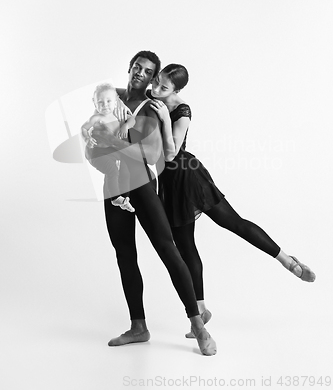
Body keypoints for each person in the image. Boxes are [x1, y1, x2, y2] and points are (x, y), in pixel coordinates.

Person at [149, 63, 316, 336]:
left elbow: (170, 153)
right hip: (167, 181)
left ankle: (288, 261)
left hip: (186, 177)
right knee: (185, 244)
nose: (156, 88)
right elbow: (127, 95)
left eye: (163, 87)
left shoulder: (181, 111)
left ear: (176, 90)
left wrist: (165, 120)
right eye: (156, 82)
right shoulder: (151, 97)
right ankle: (201, 309)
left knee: (233, 222)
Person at [89, 51, 217, 356]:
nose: (139, 73)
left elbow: (146, 154)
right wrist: (95, 142)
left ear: (153, 77)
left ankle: (198, 325)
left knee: (166, 247)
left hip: (141, 184)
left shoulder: (150, 107)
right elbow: (95, 147)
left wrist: (112, 141)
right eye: (136, 67)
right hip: (113, 186)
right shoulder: (111, 99)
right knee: (125, 254)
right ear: (130, 68)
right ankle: (138, 327)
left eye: (147, 71)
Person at [81, 82, 135, 212]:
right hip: (96, 153)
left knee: (126, 169)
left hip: (111, 151)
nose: (105, 105)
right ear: (94, 103)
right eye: (100, 102)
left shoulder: (118, 115)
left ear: (116, 102)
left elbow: (132, 119)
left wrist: (125, 126)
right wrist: (87, 138)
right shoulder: (96, 118)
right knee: (112, 171)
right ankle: (115, 198)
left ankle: (125, 199)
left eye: (108, 101)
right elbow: (83, 128)